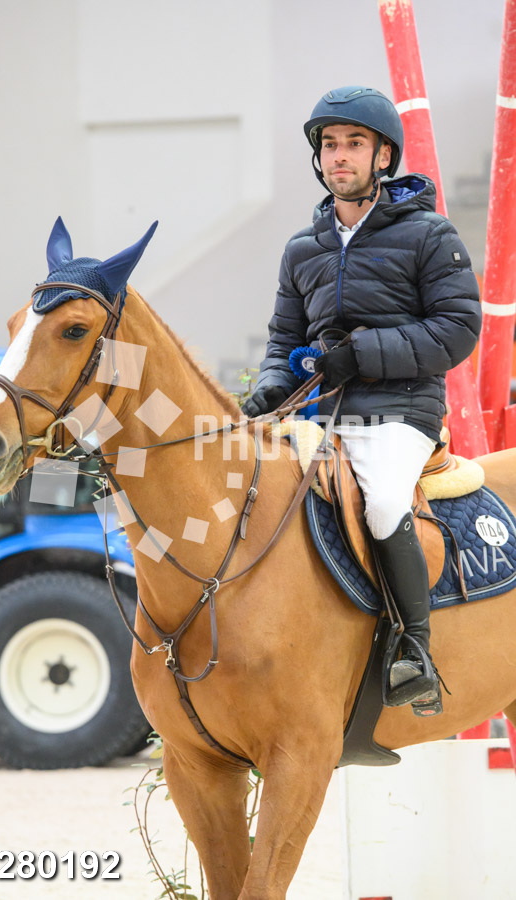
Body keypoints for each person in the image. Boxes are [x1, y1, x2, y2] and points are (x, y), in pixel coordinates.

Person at [242, 85, 482, 713]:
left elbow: (458, 330)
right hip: (326, 418)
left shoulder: (430, 235)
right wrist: (271, 386)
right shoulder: (303, 249)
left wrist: (364, 354)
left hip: (402, 414)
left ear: (383, 157)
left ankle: (414, 652)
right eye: (329, 145)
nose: (339, 156)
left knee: (382, 503)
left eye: (354, 143)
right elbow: (283, 340)